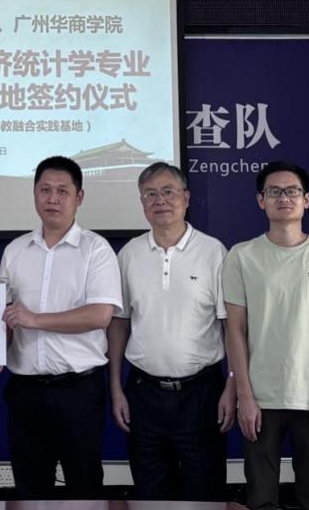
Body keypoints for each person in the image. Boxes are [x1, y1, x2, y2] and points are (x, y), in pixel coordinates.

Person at [223, 161, 309, 510]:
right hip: (259, 398)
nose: (284, 198)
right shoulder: (241, 255)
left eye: (292, 191)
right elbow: (235, 329)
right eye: (274, 191)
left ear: (306, 200)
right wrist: (244, 396)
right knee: (260, 498)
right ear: (261, 200)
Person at [108, 162, 235, 501]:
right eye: (150, 194)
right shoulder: (129, 254)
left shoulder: (214, 252)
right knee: (150, 494)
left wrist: (233, 384)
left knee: (205, 495)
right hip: (143, 392)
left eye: (168, 192)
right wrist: (115, 387)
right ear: (142, 203)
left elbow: (231, 326)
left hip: (202, 393)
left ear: (186, 198)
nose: (159, 200)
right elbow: (119, 323)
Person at [0, 156, 122, 499]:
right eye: (45, 190)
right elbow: (4, 316)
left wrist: (35, 320)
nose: (52, 198)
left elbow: (100, 315)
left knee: (84, 488)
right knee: (29, 489)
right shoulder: (15, 251)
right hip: (25, 391)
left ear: (79, 197)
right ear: (34, 194)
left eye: (62, 191)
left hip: (78, 390)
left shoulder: (96, 250)